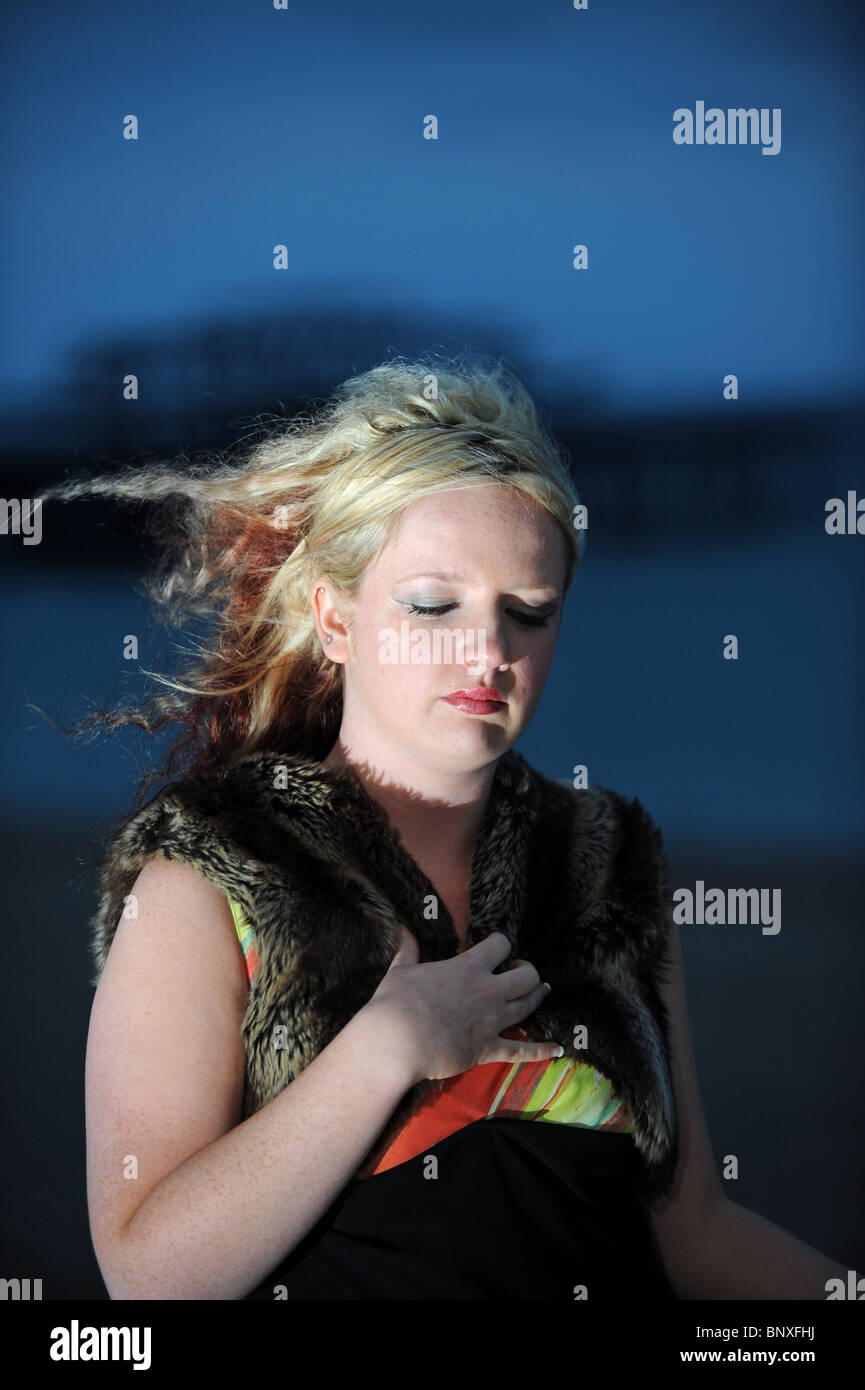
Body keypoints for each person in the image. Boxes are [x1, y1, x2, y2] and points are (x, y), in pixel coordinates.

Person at [44, 354, 846, 1300]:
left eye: (529, 613)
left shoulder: (608, 864)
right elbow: (145, 1274)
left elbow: (691, 1230)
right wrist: (383, 1051)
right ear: (332, 618)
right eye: (433, 603)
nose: (491, 651)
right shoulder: (205, 880)